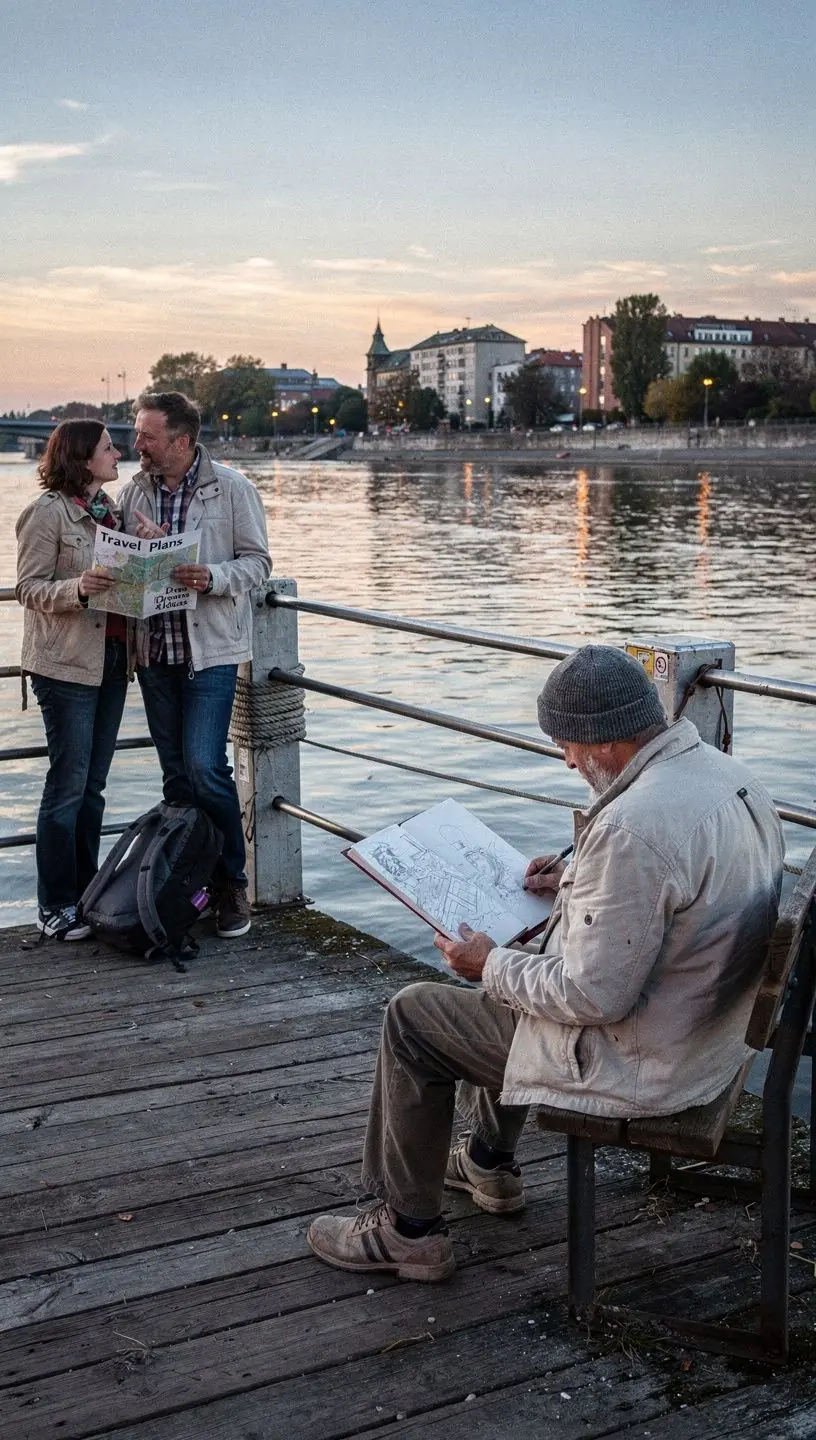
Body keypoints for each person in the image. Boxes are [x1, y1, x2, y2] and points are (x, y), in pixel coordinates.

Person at [307, 645, 785, 1282]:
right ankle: (487, 1159)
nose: (564, 760)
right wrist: (573, 884)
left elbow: (593, 997)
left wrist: (489, 964)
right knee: (520, 973)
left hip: (644, 1063)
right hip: (708, 1039)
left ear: (600, 741)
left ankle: (409, 1231)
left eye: (564, 744)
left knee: (416, 1017)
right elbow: (676, 903)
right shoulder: (728, 778)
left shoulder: (633, 827)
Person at [117, 391, 271, 939]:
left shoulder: (231, 489)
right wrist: (136, 550)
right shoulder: (134, 489)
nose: (136, 444)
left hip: (209, 650)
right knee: (178, 778)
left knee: (206, 768)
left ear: (181, 441)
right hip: (154, 650)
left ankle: (233, 884)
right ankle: (188, 886)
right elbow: (118, 560)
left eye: (147, 436)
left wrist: (211, 576)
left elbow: (257, 563)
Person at [16, 420, 128, 941]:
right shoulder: (46, 513)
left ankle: (87, 894)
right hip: (64, 666)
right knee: (67, 788)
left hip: (111, 661)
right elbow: (29, 588)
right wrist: (78, 588)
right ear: (84, 458)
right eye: (108, 447)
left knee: (93, 788)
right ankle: (54, 905)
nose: (118, 452)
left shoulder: (112, 512)